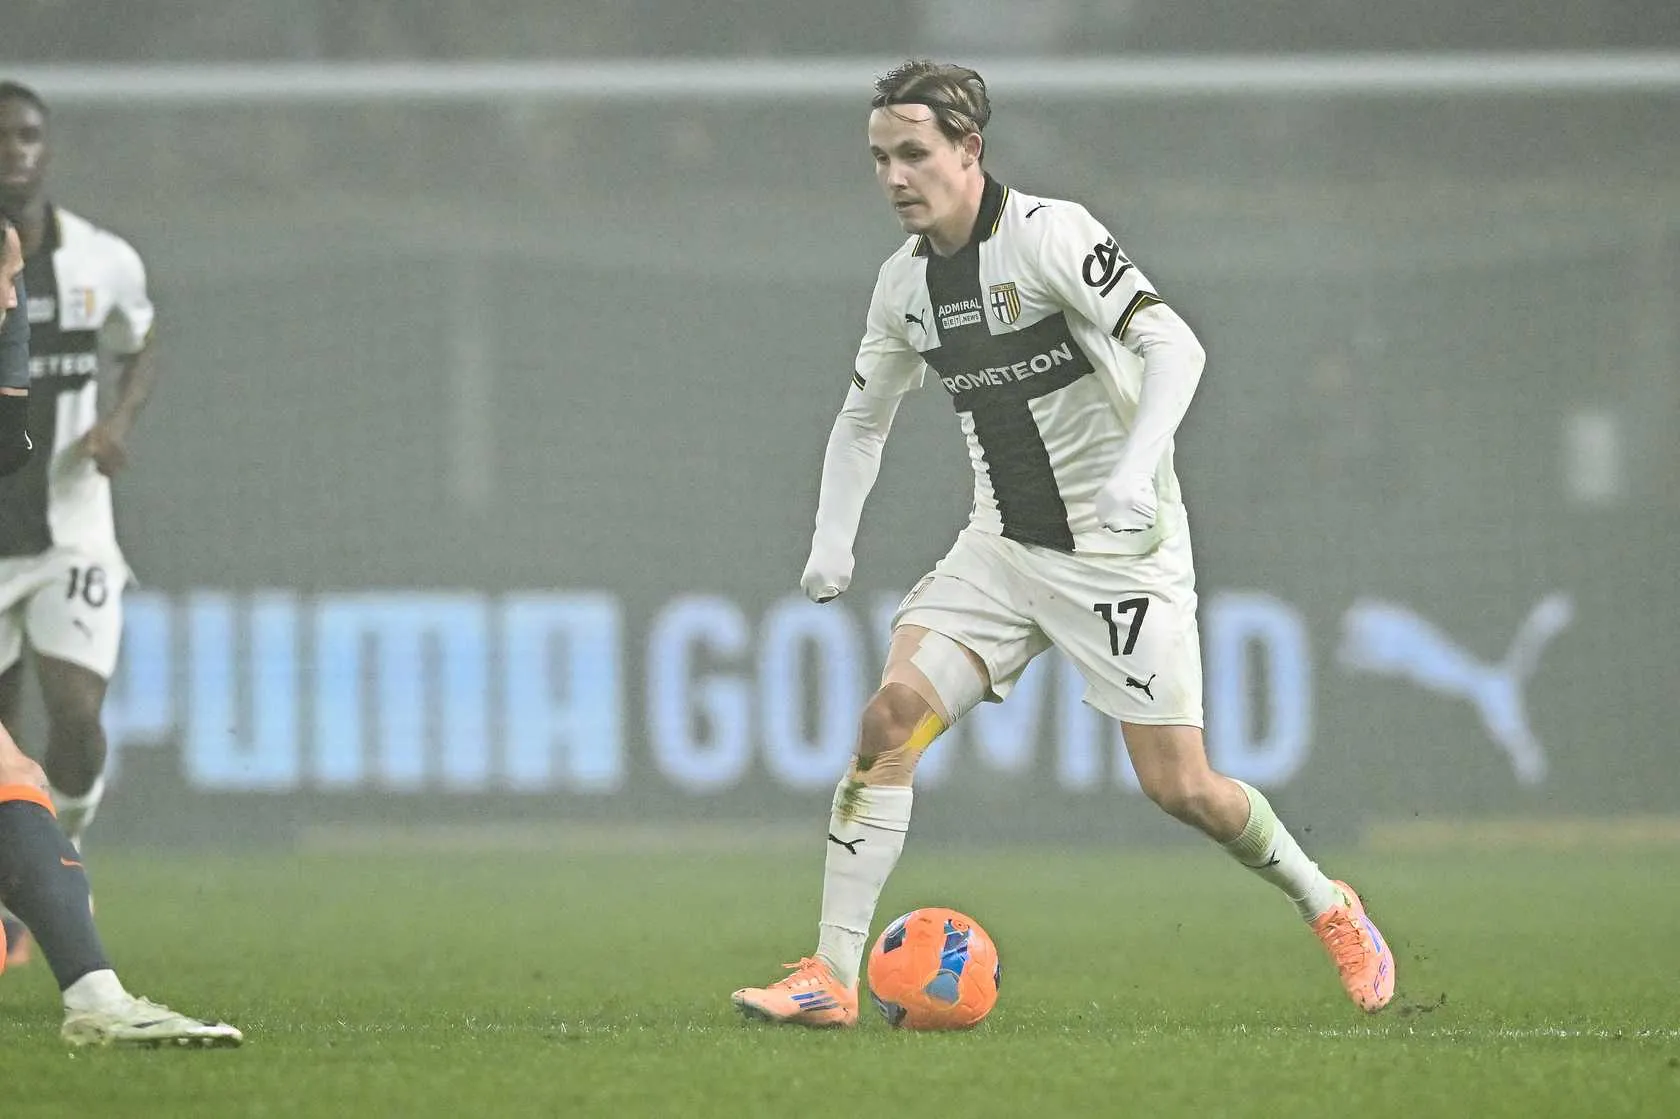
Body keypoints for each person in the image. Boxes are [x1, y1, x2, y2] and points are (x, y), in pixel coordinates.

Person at [730, 60, 1394, 1027]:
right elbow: (863, 420)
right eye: (879, 158)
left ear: (970, 150)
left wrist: (1134, 469)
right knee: (888, 725)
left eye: (914, 153)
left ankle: (1328, 902)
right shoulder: (904, 287)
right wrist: (832, 538)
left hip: (1121, 558)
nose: (895, 177)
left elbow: (1177, 347)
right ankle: (830, 975)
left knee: (1184, 788)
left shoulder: (1051, 236)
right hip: (1001, 552)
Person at [0, 215, 239, 1047]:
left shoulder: (89, 269)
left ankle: (96, 996)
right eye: (5, 287)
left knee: (16, 776)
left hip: (61, 542)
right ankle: (96, 998)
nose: (13, 298)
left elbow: (9, 444)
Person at [0, 81, 156, 864]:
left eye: (27, 135)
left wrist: (116, 422)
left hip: (71, 533)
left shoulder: (102, 259)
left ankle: (63, 849)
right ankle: (20, 892)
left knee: (77, 717)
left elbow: (141, 341)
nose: (14, 150)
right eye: (1, 136)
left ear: (48, 148)